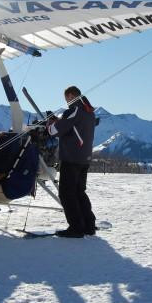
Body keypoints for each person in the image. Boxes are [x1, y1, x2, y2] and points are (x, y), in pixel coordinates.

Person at [47, 86, 97, 238]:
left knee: (67, 193)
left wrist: (50, 124)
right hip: (84, 157)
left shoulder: (74, 110)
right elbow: (74, 128)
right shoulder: (89, 112)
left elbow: (55, 131)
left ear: (70, 96)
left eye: (66, 98)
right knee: (79, 192)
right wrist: (60, 121)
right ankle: (89, 225)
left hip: (72, 157)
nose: (66, 102)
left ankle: (76, 227)